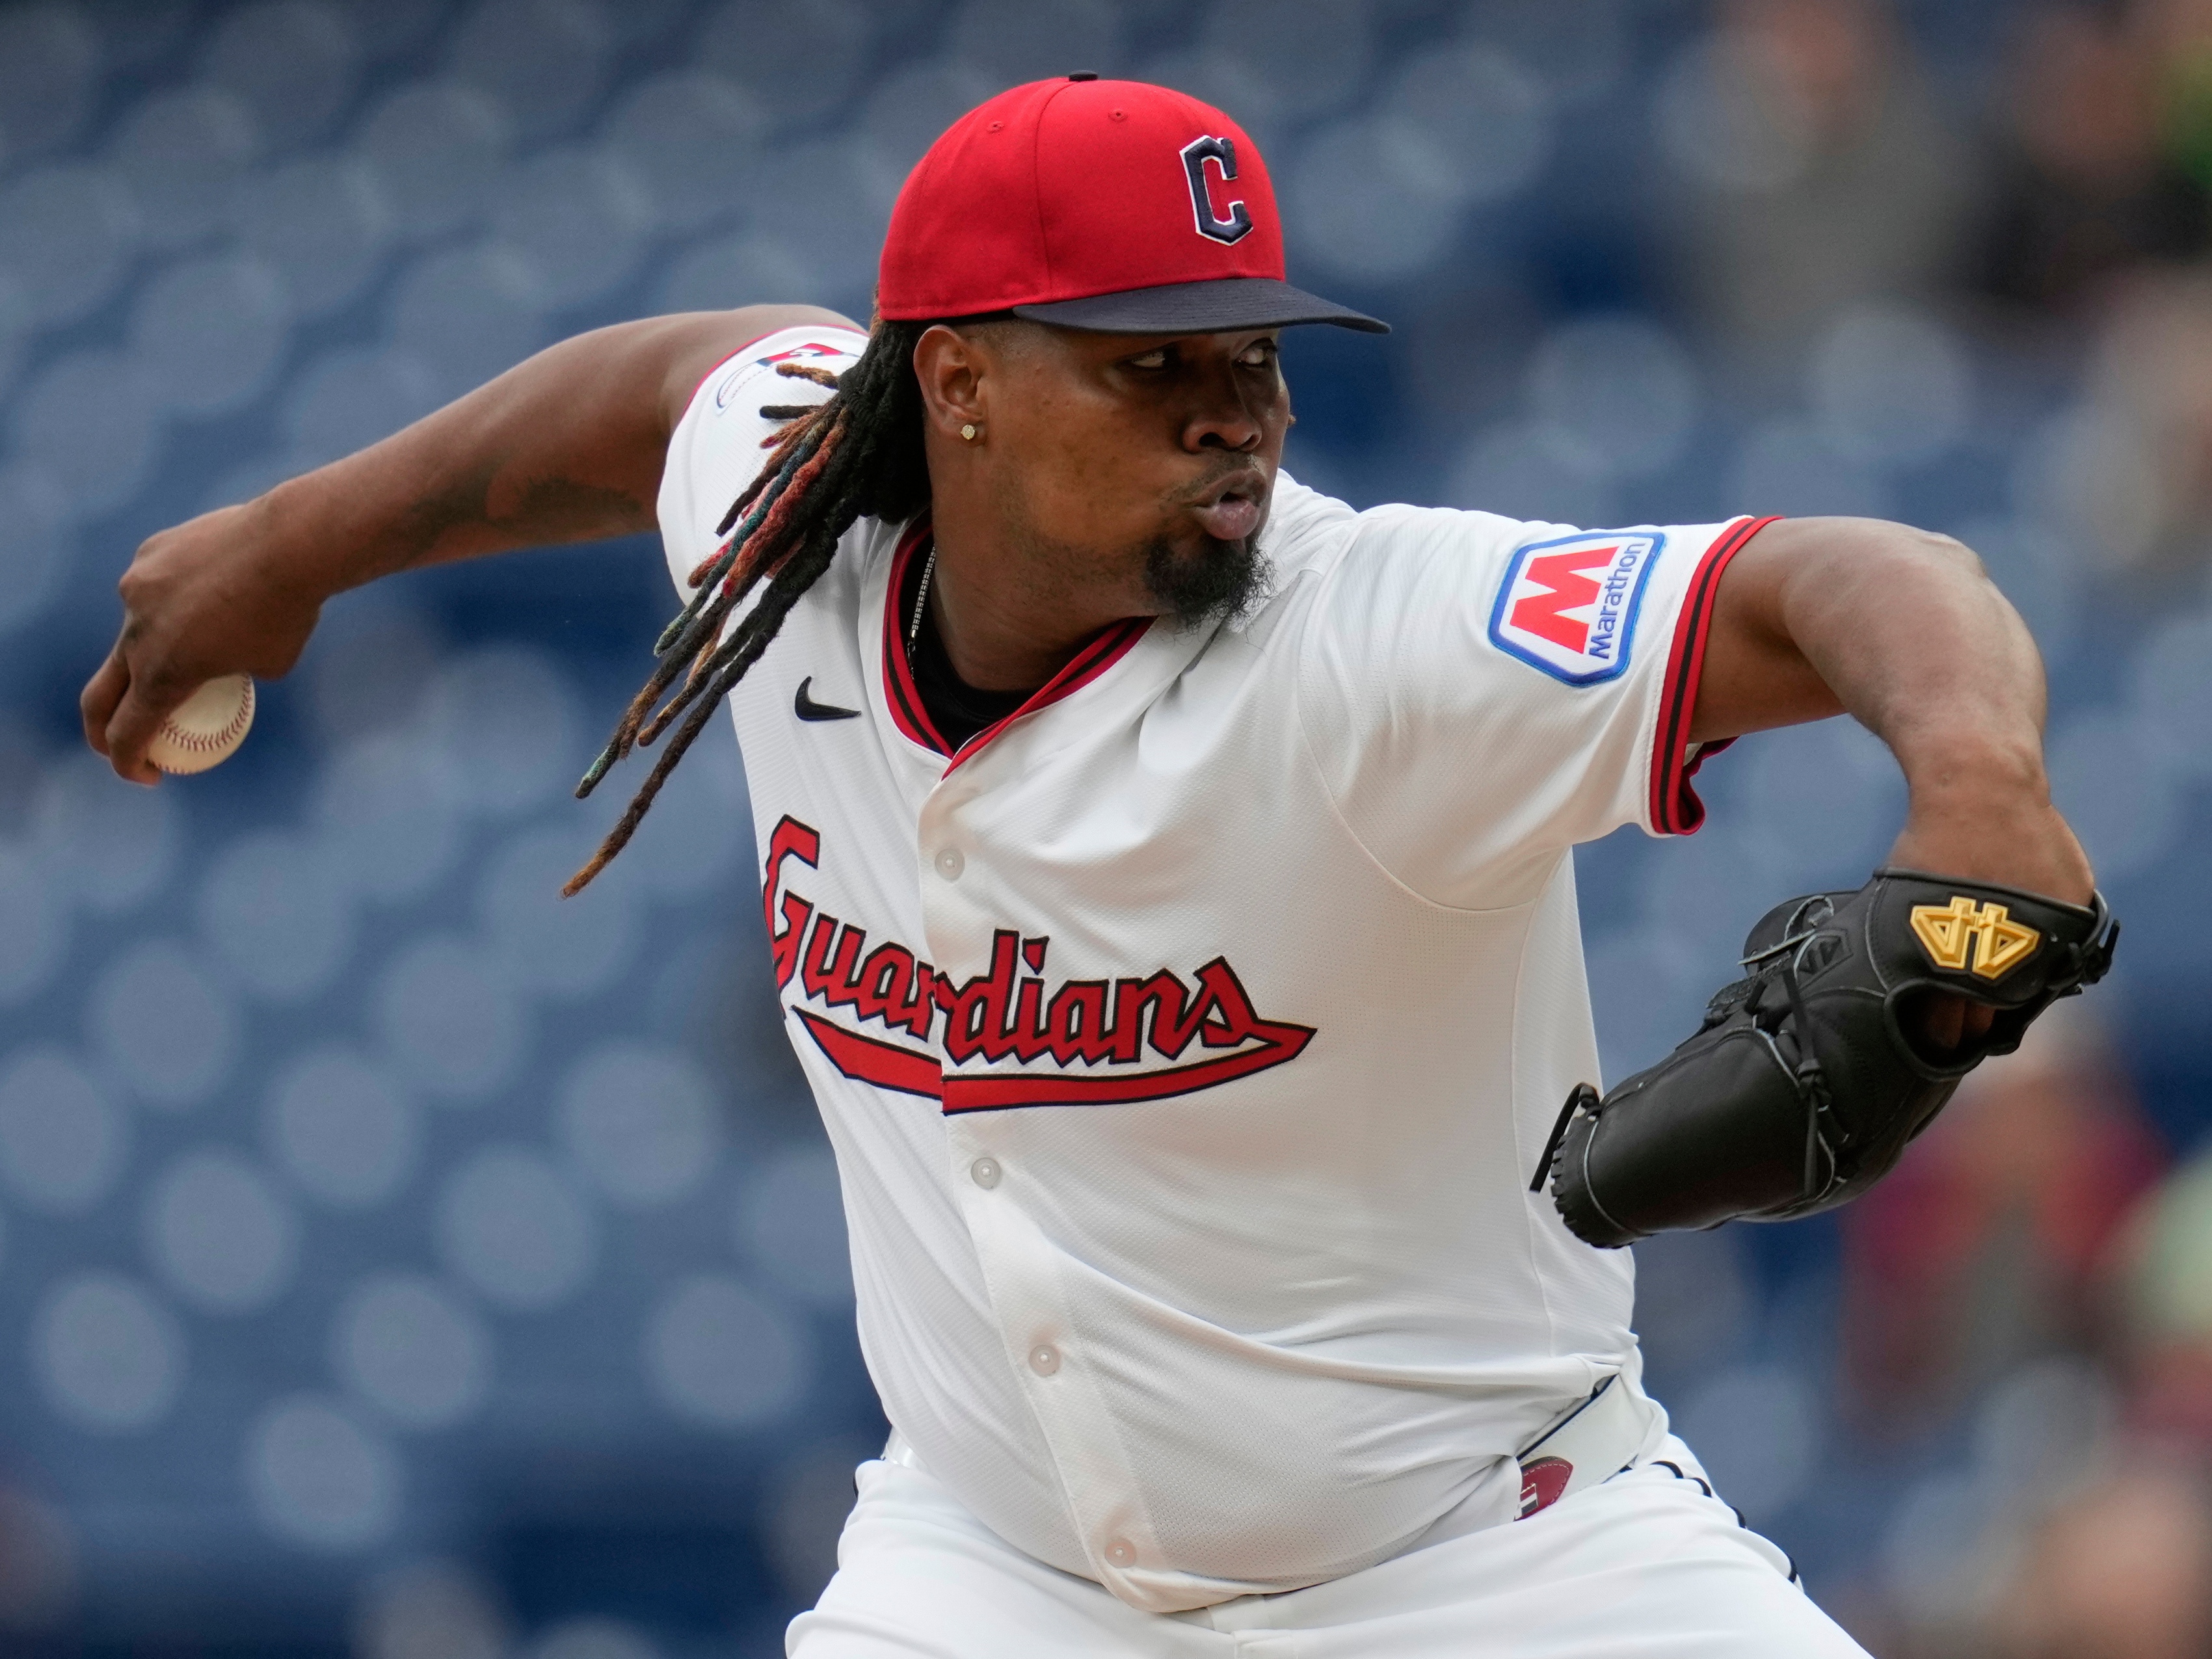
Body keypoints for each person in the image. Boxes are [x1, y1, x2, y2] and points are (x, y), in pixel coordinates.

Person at [81, 78, 2092, 1658]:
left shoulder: (1380, 636)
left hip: (1495, 1571)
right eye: (1152, 363)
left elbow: (1868, 578)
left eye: (1253, 357)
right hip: (993, 1582)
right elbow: (645, 397)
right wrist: (288, 546)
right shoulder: (796, 506)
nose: (1231, 414)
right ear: (950, 377)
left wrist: (1976, 814)